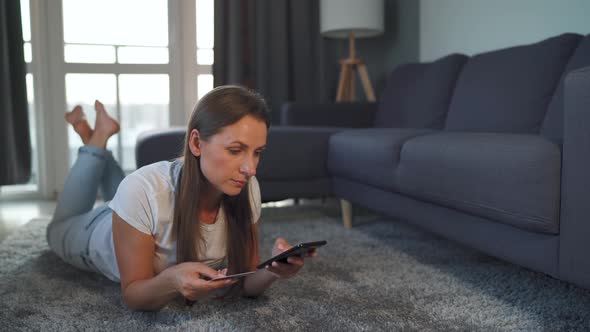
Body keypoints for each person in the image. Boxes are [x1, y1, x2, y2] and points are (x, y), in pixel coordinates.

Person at [47, 85, 316, 311]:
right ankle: (97, 139)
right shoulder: (143, 190)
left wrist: (272, 270)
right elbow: (133, 294)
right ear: (196, 143)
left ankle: (91, 134)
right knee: (57, 227)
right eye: (236, 150)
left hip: (136, 211)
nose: (251, 168)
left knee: (129, 192)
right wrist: (170, 281)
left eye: (257, 152)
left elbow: (245, 280)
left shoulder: (247, 187)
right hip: (94, 231)